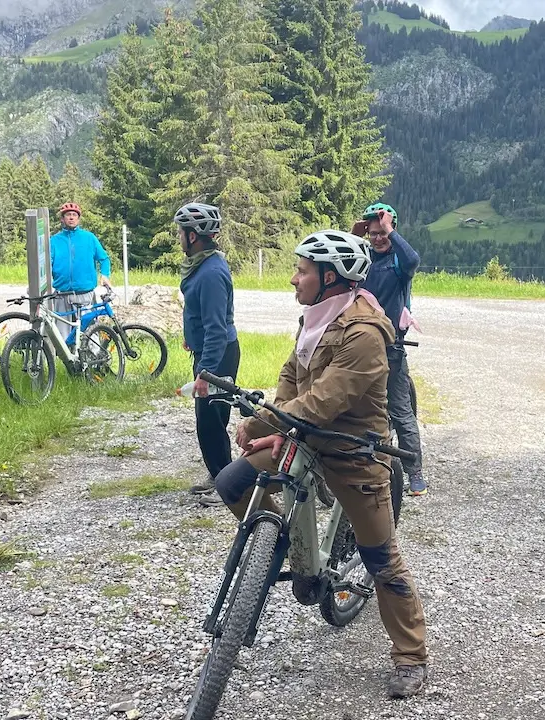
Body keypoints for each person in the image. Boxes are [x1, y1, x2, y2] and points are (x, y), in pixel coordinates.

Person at [213, 229, 430, 698]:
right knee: (232, 483)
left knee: (381, 558)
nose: (294, 279)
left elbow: (325, 400)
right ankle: (288, 543)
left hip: (353, 450)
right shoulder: (315, 316)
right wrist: (275, 420)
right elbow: (293, 375)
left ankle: (411, 656)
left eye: (302, 270)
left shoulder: (366, 331)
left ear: (330, 277)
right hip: (304, 436)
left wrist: (264, 421)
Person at [354, 203, 427, 496]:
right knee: (358, 409)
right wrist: (354, 235)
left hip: (391, 347)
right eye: (372, 234)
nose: (377, 238)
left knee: (400, 410)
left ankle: (415, 472)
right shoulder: (363, 259)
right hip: (361, 345)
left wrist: (389, 230)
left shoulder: (398, 262)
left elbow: (413, 259)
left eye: (381, 233)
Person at [175, 202, 240, 502]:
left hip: (217, 355)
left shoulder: (212, 272)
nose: (178, 237)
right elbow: (200, 314)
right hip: (209, 352)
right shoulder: (203, 264)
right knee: (209, 420)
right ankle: (219, 475)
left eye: (181, 232)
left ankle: (228, 484)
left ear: (193, 236)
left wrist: (205, 372)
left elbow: (216, 327)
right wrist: (192, 337)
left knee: (211, 422)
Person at [49, 202, 111, 346]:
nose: (71, 218)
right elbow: (45, 264)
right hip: (62, 294)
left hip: (85, 293)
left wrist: (105, 275)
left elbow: (104, 258)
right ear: (62, 219)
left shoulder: (89, 238)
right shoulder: (54, 241)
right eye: (68, 215)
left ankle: (94, 362)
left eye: (74, 215)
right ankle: (67, 363)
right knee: (62, 333)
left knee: (89, 331)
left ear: (78, 219)